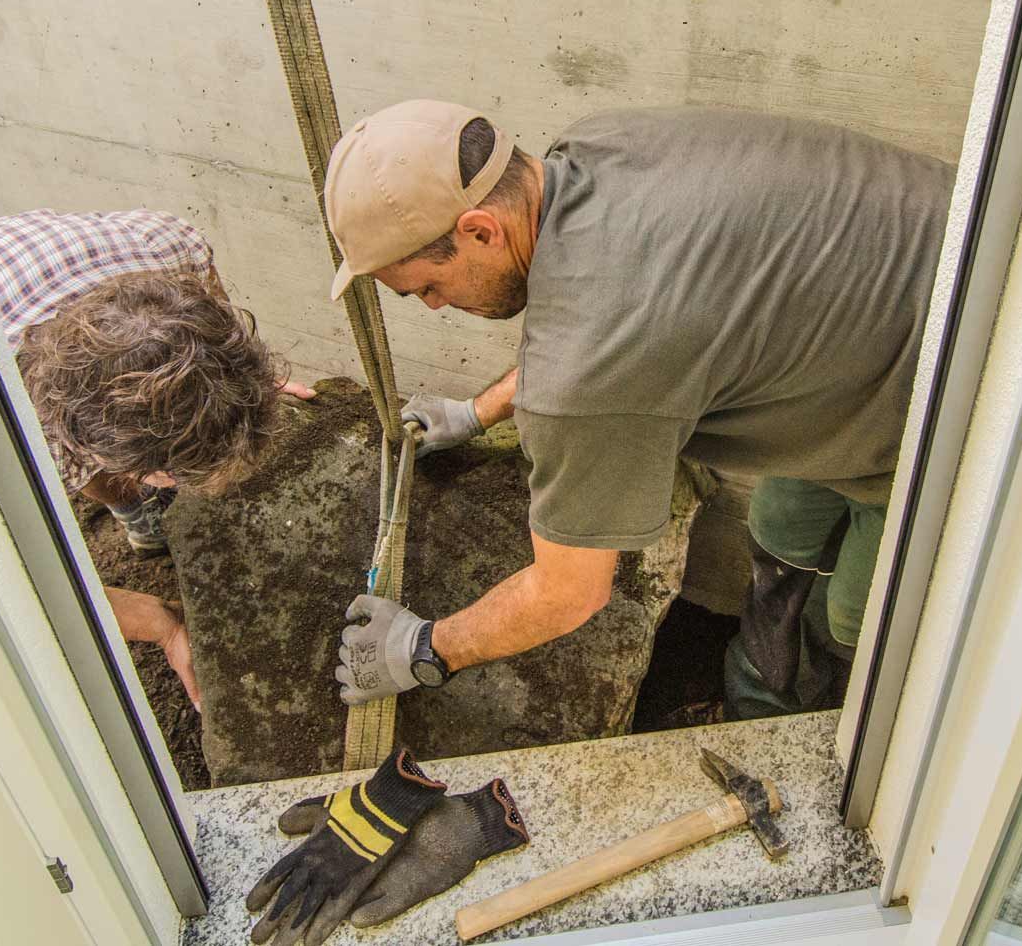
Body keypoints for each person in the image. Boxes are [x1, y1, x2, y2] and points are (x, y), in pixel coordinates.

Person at [324, 101, 951, 719]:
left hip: (968, 422)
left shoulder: (586, 370)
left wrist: (424, 649)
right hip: (924, 281)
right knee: (784, 527)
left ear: (481, 230)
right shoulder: (604, 143)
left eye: (428, 287)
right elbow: (628, 322)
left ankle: (818, 702)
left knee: (857, 617)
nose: (432, 307)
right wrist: (477, 411)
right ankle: (764, 684)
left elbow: (568, 594)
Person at [0, 208, 314, 708]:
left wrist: (243, 384)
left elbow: (214, 339)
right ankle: (131, 512)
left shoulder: (172, 252)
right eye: (172, 478)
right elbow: (7, 582)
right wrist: (161, 624)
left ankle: (139, 518)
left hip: (20, 275)